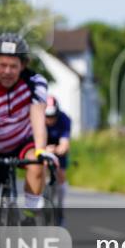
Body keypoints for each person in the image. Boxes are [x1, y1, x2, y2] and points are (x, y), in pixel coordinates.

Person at [0, 33, 48, 226]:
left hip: (22, 142)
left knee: (38, 163)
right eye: (2, 65)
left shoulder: (35, 82)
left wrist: (41, 150)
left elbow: (38, 118)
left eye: (14, 66)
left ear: (23, 66)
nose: (7, 71)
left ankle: (30, 214)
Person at [44, 95, 72, 225]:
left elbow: (64, 143)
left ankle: (60, 209)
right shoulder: (38, 119)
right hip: (42, 148)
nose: (50, 119)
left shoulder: (64, 119)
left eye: (53, 116)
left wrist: (59, 149)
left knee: (61, 174)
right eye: (47, 116)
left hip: (57, 148)